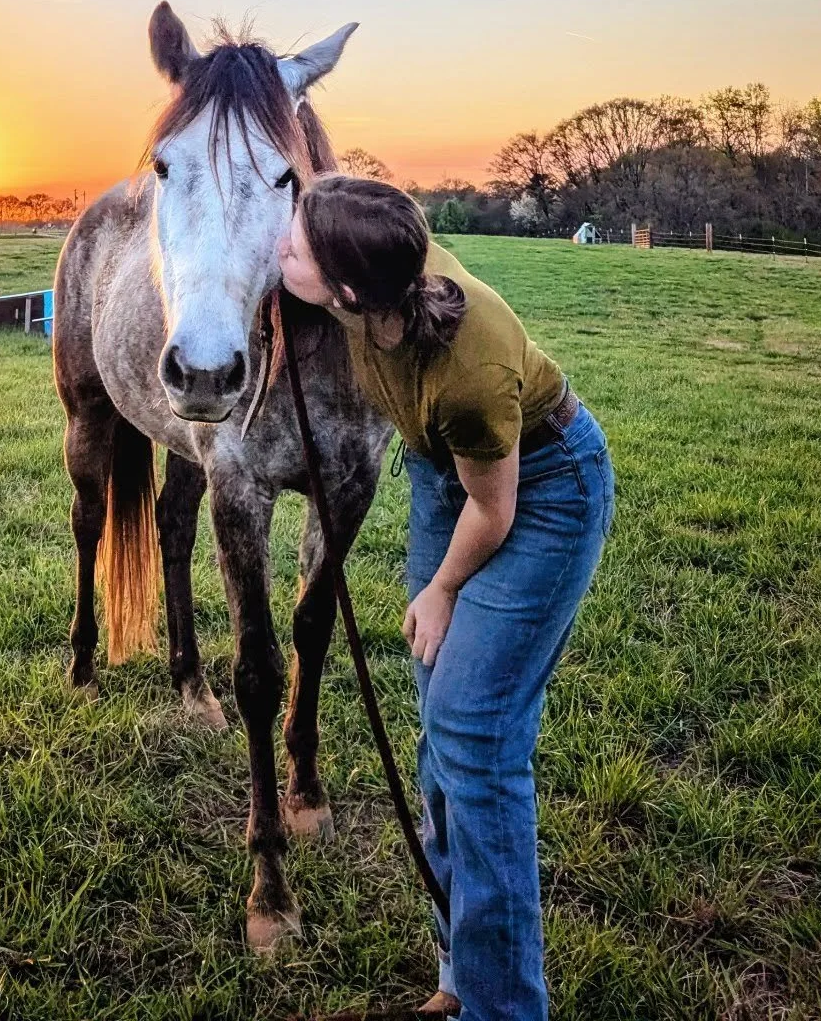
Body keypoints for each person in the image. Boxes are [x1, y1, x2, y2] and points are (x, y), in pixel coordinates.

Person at [277, 174, 615, 1021]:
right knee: (441, 737)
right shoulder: (381, 270)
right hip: (441, 480)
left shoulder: (469, 366)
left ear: (347, 294)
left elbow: (495, 510)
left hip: (541, 489)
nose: (279, 245)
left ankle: (504, 1012)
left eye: (294, 244)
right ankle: (460, 981)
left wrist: (440, 589)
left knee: (473, 734)